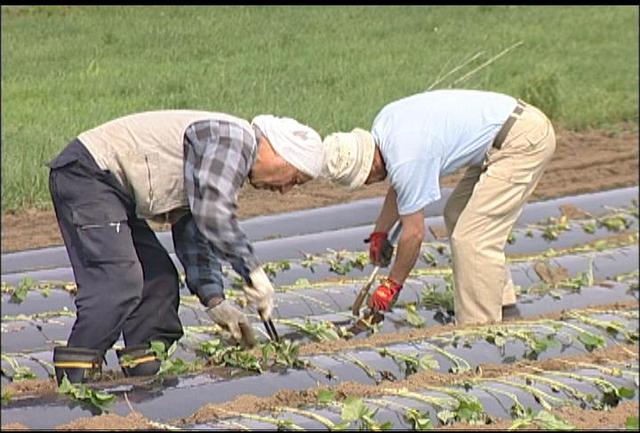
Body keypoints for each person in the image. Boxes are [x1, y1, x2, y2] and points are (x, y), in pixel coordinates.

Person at [47, 110, 323, 384]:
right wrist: (252, 270)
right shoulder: (235, 141)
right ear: (280, 153)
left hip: (113, 190)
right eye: (294, 179)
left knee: (159, 280)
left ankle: (143, 373)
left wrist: (215, 300)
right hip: (88, 175)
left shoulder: (226, 154)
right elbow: (214, 214)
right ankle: (74, 381)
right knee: (119, 281)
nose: (286, 190)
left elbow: (195, 229)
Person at [322, 89, 556, 326]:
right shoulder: (384, 127)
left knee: (472, 236)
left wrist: (392, 285)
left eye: (364, 179)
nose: (369, 183)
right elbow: (401, 186)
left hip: (522, 141)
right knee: (456, 213)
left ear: (370, 163)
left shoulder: (406, 158)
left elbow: (413, 234)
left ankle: (480, 331)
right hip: (504, 135)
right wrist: (380, 233)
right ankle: (504, 305)